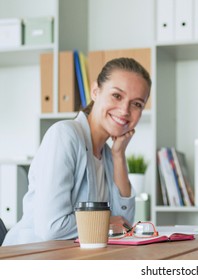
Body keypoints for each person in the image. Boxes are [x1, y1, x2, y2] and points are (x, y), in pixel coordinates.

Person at [3, 57, 151, 246]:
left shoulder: (108, 154)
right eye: (117, 96)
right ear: (96, 91)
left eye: (137, 104)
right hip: (29, 257)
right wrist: (107, 224)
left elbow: (123, 222)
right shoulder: (64, 135)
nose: (124, 110)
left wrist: (118, 155)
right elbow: (52, 227)